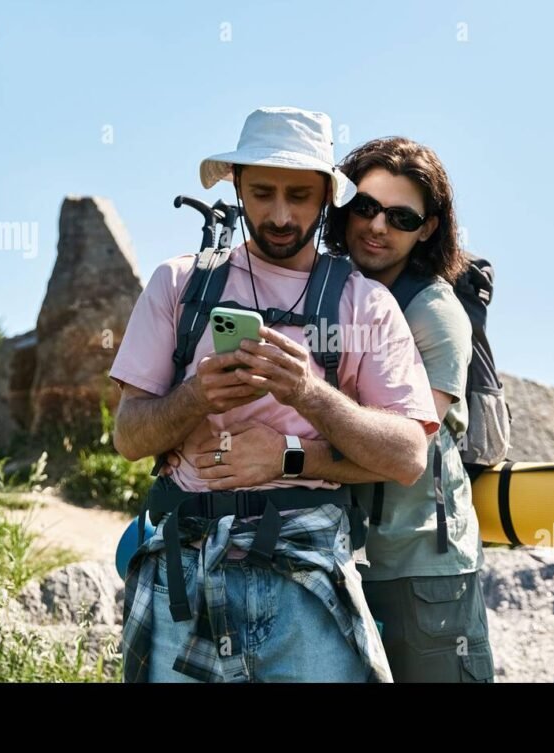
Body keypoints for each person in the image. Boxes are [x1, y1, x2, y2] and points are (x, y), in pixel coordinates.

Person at [110, 108, 440, 683]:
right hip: (182, 575)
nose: (281, 215)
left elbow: (409, 455)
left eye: (300, 196)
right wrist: (194, 396)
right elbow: (128, 437)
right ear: (236, 186)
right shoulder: (179, 282)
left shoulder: (364, 304)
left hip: (305, 581)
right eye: (262, 193)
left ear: (325, 199)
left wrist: (309, 394)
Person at [186, 136, 495, 682]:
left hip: (418, 565)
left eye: (401, 216)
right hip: (335, 556)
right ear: (341, 206)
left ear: (427, 228)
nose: (377, 226)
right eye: (366, 207)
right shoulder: (331, 291)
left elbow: (405, 454)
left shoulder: (435, 314)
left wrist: (283, 459)